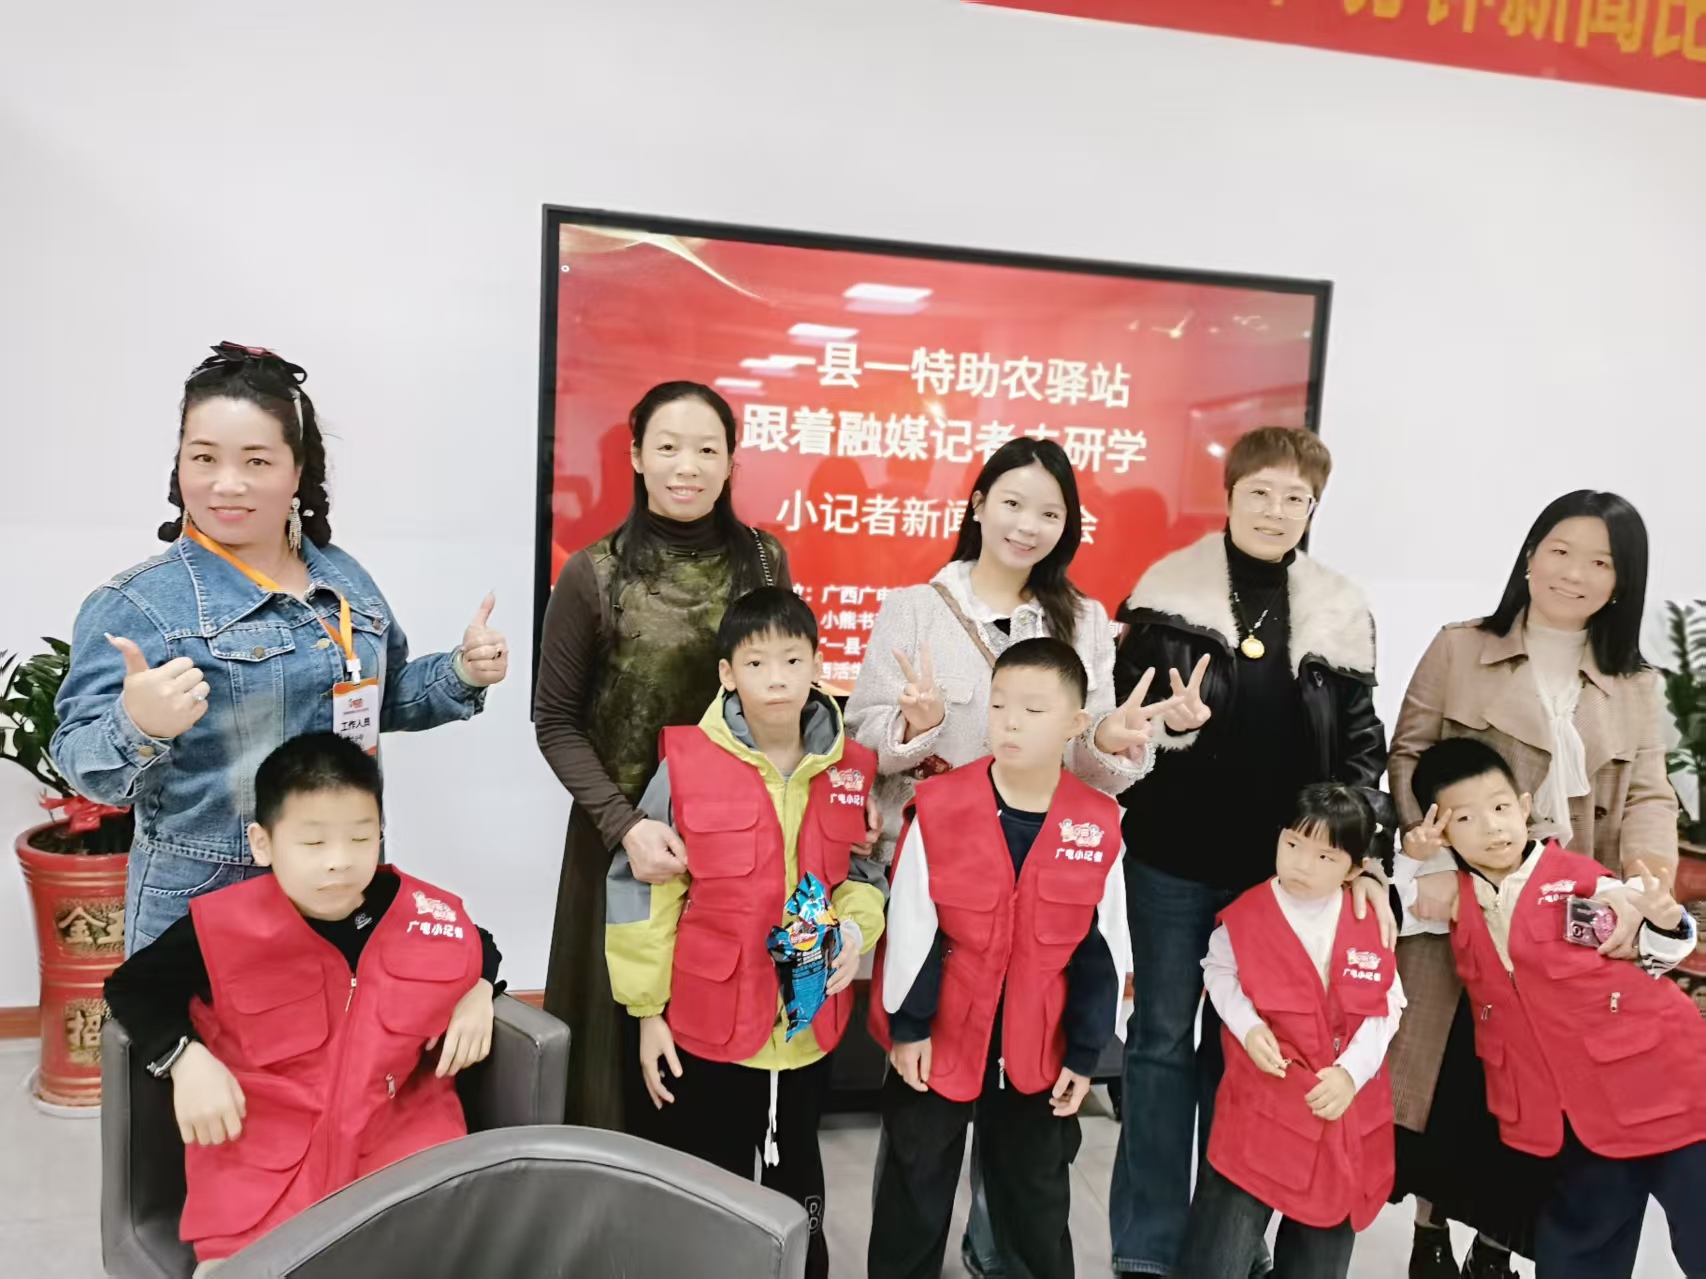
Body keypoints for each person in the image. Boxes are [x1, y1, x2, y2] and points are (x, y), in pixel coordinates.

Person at [845, 436, 1190, 1276]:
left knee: (1029, 1146)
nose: (1027, 524)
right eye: (1012, 502)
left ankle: (996, 1255)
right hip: (942, 869)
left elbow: (1094, 765)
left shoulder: (1084, 620)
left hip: (1043, 880)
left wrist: (1113, 738)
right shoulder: (916, 607)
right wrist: (919, 726)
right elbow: (864, 738)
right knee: (925, 1130)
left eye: (1049, 511)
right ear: (977, 504)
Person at [52, 343, 507, 953]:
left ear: (298, 472)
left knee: (349, 1019)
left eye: (257, 461)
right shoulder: (137, 603)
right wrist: (139, 724)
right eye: (204, 457)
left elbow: (385, 698)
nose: (227, 483)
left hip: (343, 884)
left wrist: (461, 672)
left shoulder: (344, 579)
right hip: (206, 897)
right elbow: (85, 768)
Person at [535, 381, 880, 1130]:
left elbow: (791, 686)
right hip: (631, 841)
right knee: (621, 1052)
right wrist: (626, 825)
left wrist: (839, 791)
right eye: (667, 447)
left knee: (738, 1053)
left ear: (730, 461)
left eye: (706, 449)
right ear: (636, 456)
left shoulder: (763, 559)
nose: (686, 466)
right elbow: (554, 721)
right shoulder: (594, 573)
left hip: (751, 841)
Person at [1107, 426, 1394, 1277]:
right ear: (1229, 495)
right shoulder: (1167, 595)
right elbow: (1120, 733)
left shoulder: (1340, 608)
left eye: (1295, 497)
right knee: (1161, 1041)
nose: (1276, 510)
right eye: (1260, 492)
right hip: (1172, 858)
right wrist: (1171, 729)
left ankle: (1226, 1240)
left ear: (1313, 507)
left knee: (1252, 1049)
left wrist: (1362, 853)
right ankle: (1150, 1244)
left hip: (1285, 878)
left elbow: (1362, 749)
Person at [1384, 491, 1679, 1278]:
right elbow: (1408, 755)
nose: (1574, 573)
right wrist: (1439, 863)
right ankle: (1429, 1234)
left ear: (1621, 581)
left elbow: (1650, 796)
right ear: (1529, 555)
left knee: (1540, 1087)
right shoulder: (1460, 647)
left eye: (1600, 561)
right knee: (1454, 1074)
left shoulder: (1637, 685)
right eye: (1560, 550)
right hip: (1465, 898)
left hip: (1567, 916)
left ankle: (1498, 1245)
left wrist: (1643, 890)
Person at [103, 733, 501, 1274]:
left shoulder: (421, 914)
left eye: (361, 838)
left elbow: (480, 945)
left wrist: (480, 993)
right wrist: (185, 1060)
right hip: (261, 1177)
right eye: (313, 843)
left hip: (398, 1166)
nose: (339, 863)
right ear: (263, 843)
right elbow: (132, 987)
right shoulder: (220, 927)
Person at [605, 587, 886, 1279]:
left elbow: (863, 875)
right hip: (708, 1020)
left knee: (800, 1187)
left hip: (808, 1021)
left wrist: (854, 931)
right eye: (757, 663)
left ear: (817, 664)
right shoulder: (686, 763)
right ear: (727, 673)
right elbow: (645, 894)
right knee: (709, 1187)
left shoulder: (849, 769)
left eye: (793, 660)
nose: (777, 678)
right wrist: (647, 1013)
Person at [868, 638, 1160, 1279]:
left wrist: (1085, 1053)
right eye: (999, 706)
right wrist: (908, 1028)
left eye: (1033, 709)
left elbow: (1104, 950)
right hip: (940, 1036)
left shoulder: (1099, 824)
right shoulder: (939, 807)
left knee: (1035, 1204)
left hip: (1039, 1047)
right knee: (914, 1191)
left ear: (1075, 723)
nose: (1010, 723)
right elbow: (912, 929)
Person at [1394, 738, 1703, 1279]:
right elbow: (1389, 911)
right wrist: (1412, 860)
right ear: (1442, 831)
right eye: (1465, 817)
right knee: (1577, 1253)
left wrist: (1665, 921)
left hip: (1665, 1093)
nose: (1492, 828)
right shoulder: (1456, 897)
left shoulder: (1579, 881)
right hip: (1574, 1122)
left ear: (1525, 807)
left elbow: (1650, 945)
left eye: (1500, 807)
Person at [1176, 783, 1404, 1279]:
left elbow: (1388, 1004)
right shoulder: (1246, 914)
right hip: (1265, 1098)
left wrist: (1350, 1073)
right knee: (1223, 1243)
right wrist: (1248, 1026)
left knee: (1319, 1250)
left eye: (1325, 856)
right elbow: (1218, 970)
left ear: (1354, 869)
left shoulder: (1369, 920)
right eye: (1293, 844)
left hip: (1337, 1103)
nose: (1302, 864)